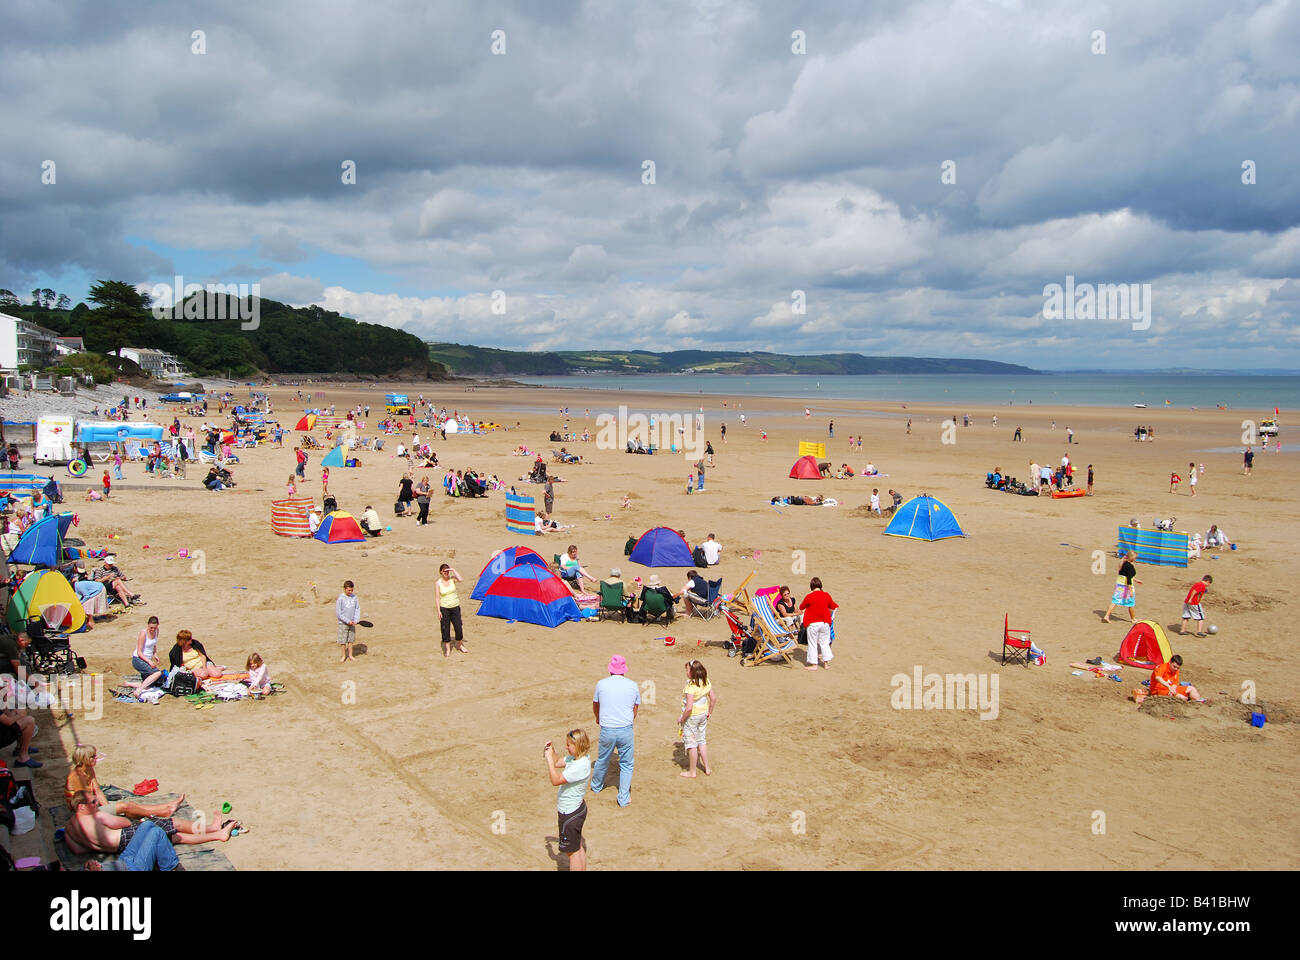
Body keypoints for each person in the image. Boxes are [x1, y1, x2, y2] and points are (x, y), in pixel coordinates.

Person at [64, 790, 237, 855]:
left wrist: (97, 844)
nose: (97, 805)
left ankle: (217, 834)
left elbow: (77, 850)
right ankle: (214, 830)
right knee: (173, 823)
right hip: (127, 837)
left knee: (175, 838)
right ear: (81, 807)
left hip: (118, 849)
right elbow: (123, 823)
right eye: (93, 803)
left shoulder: (69, 829)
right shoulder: (96, 818)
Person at [64, 744, 183, 818]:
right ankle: (163, 811)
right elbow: (86, 802)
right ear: (84, 759)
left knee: (132, 805)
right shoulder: (77, 777)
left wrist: (108, 807)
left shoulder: (89, 770)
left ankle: (167, 806)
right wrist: (110, 811)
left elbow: (98, 791)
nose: (96, 758)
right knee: (126, 807)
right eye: (93, 756)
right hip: (84, 811)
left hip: (93, 805)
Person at [590, 655, 639, 808]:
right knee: (627, 764)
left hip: (608, 728)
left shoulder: (601, 684)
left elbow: (595, 704)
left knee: (602, 759)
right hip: (625, 728)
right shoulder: (632, 685)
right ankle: (623, 797)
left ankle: (596, 786)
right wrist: (628, 720)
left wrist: (598, 718)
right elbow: (635, 708)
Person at [544, 728, 591, 871]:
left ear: (578, 746)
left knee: (573, 853)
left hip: (569, 813)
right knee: (577, 847)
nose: (567, 747)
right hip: (577, 809)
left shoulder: (579, 766)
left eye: (569, 745)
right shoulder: (578, 759)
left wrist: (548, 762)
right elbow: (558, 761)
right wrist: (552, 751)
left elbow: (555, 780)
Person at [677, 660, 716, 778]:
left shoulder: (690, 687)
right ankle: (707, 768)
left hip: (692, 717)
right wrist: (709, 712)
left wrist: (681, 719)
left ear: (692, 673)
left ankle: (692, 771)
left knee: (691, 744)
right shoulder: (706, 681)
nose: (686, 672)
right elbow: (713, 699)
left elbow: (688, 708)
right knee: (702, 741)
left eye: (687, 670)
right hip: (703, 714)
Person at [799, 576, 838, 671]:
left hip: (813, 623)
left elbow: (801, 607)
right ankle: (826, 664)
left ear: (811, 586)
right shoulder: (826, 595)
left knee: (812, 644)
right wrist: (831, 615)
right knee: (824, 643)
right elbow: (834, 606)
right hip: (824, 622)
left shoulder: (809, 597)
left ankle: (814, 665)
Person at [1103, 551, 1141, 623]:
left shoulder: (1123, 563)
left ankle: (1107, 616)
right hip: (1126, 587)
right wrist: (1130, 591)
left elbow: (1124, 575)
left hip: (1119, 586)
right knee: (1131, 603)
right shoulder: (1130, 567)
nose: (1136, 559)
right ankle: (1133, 619)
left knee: (1115, 601)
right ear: (1132, 558)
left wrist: (1136, 580)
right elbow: (1129, 579)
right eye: (1135, 557)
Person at [436, 563, 466, 656]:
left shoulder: (453, 579)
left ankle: (460, 645)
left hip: (455, 607)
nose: (446, 573)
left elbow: (461, 579)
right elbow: (437, 598)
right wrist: (439, 611)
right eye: (444, 571)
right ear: (441, 572)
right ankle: (448, 649)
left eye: (447, 571)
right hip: (444, 608)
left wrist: (453, 570)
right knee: (445, 629)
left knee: (458, 627)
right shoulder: (438, 583)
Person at [129, 616, 165, 691]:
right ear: (148, 625)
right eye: (151, 627)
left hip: (147, 660)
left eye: (154, 628)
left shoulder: (156, 631)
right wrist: (149, 661)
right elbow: (139, 652)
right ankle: (138, 691)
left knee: (153, 683)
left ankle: (129, 684)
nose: (152, 630)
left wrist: (155, 654)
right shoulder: (143, 633)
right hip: (138, 659)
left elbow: (154, 644)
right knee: (157, 673)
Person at [336, 581, 359, 663]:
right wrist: (347, 621)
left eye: (352, 590)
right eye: (349, 590)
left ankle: (350, 655)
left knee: (350, 640)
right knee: (343, 641)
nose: (350, 592)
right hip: (343, 623)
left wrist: (356, 620)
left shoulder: (355, 597)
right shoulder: (340, 598)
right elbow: (339, 614)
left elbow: (357, 609)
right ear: (345, 589)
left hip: (352, 623)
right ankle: (343, 656)